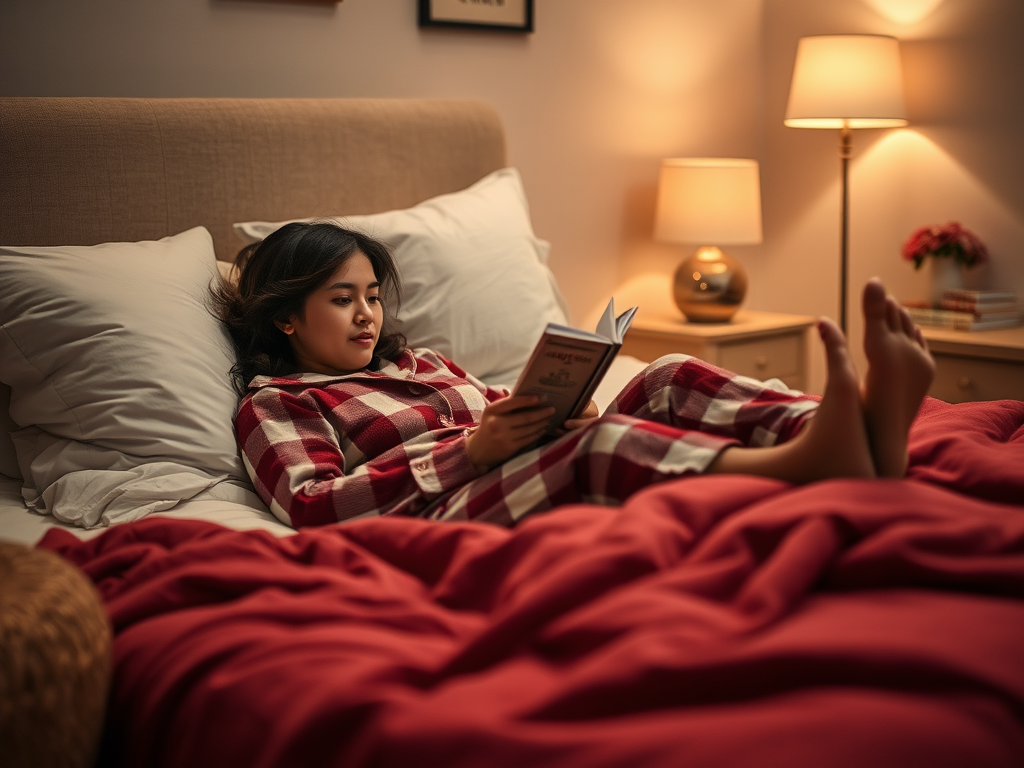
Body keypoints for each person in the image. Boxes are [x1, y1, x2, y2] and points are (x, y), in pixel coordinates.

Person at [212, 222, 935, 529]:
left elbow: (502, 406)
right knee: (604, 447)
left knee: (670, 373)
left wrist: (563, 407)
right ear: (285, 317)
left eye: (373, 296)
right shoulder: (278, 404)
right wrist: (471, 450)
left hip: (515, 463)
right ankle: (805, 464)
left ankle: (850, 434)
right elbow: (309, 509)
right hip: (437, 520)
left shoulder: (422, 364)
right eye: (343, 300)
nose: (367, 316)